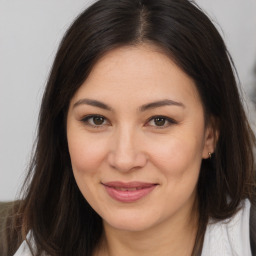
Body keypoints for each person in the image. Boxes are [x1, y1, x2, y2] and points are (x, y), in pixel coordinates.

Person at [1, 0, 255, 255]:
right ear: (62, 130)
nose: (124, 159)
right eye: (96, 119)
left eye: (159, 121)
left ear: (209, 135)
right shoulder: (13, 241)